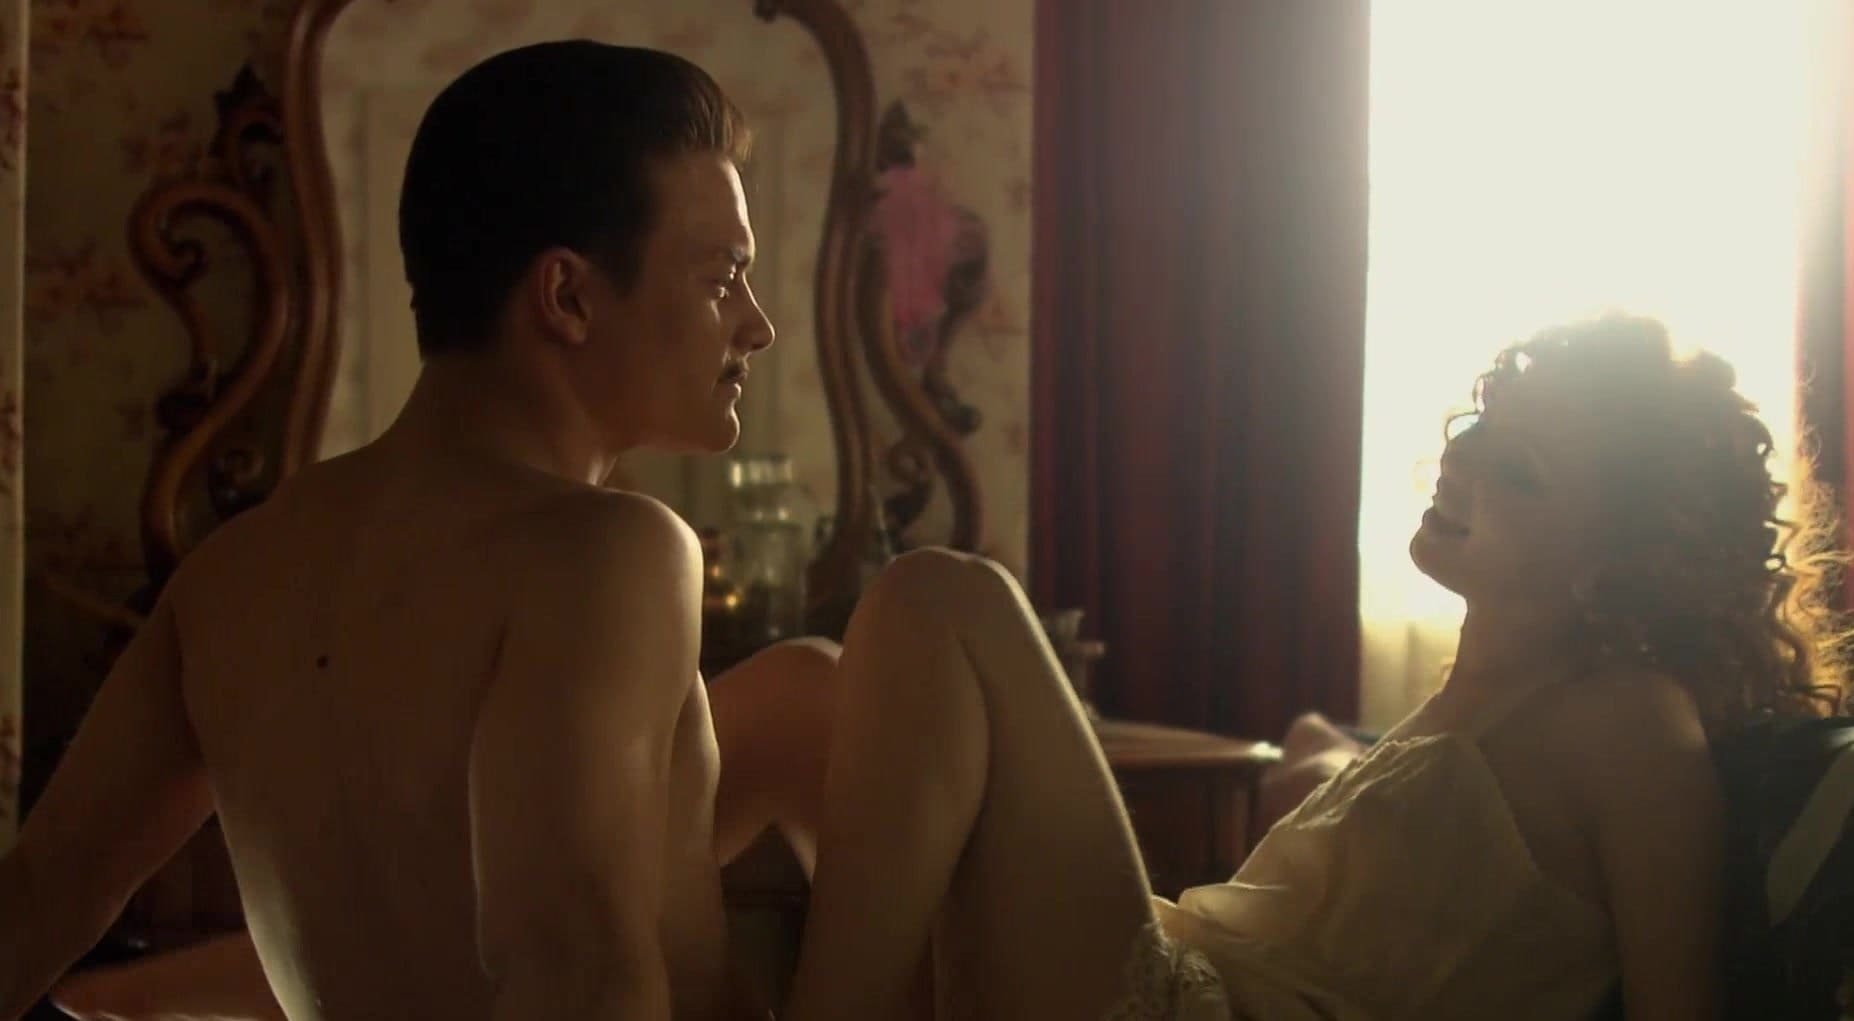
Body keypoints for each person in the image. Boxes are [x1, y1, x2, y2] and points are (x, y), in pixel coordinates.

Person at [0, 40, 824, 1021]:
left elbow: (34, 901)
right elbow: (579, 971)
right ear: (567, 296)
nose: (757, 325)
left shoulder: (231, 574)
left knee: (807, 688)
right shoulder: (612, 550)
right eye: (724, 277)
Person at [744, 313, 1849, 1020]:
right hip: (1181, 969)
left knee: (943, 597)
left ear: (1618, 561)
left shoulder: (1632, 722)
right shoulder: (1464, 697)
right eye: (1481, 422)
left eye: (1516, 468)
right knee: (807, 690)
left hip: (1203, 1011)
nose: (1460, 458)